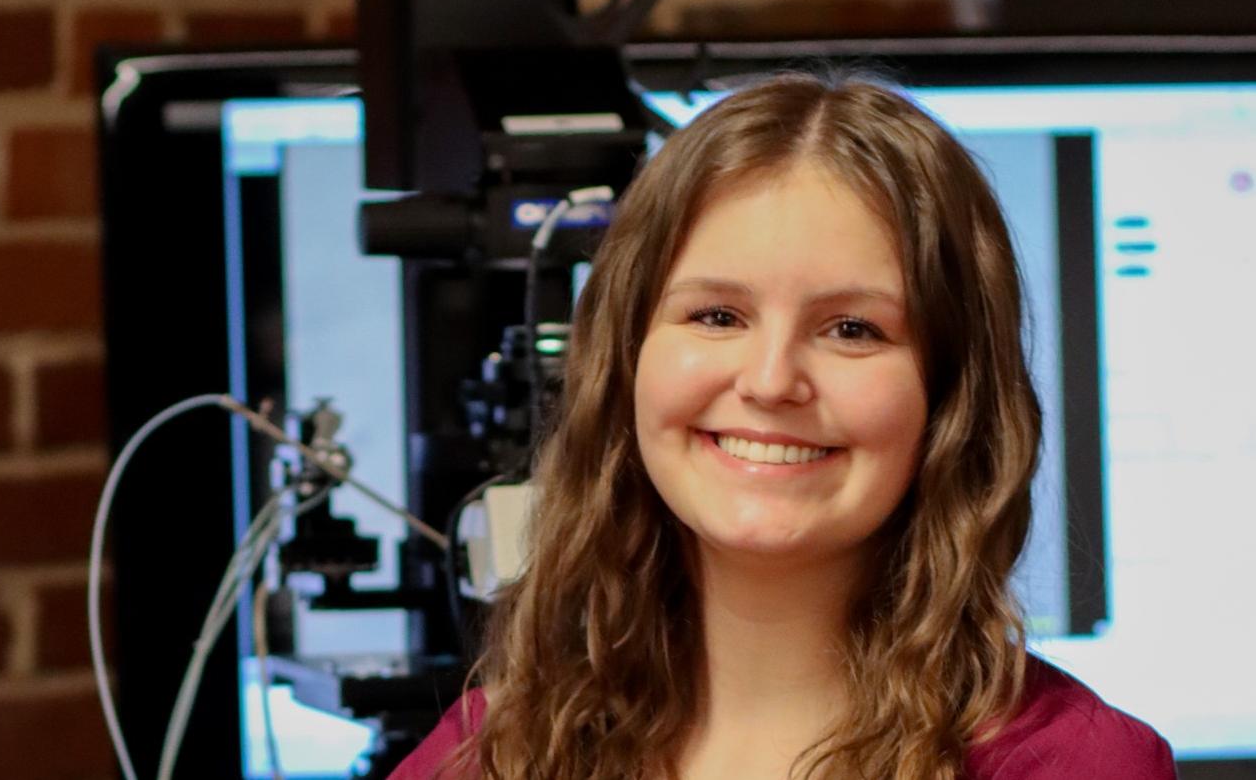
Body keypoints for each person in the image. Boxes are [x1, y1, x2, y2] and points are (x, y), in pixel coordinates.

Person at [389, 72, 1177, 779]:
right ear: (623, 361)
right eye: (718, 314)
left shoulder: (1076, 764)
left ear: (951, 398)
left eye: (852, 330)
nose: (769, 382)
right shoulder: (497, 748)